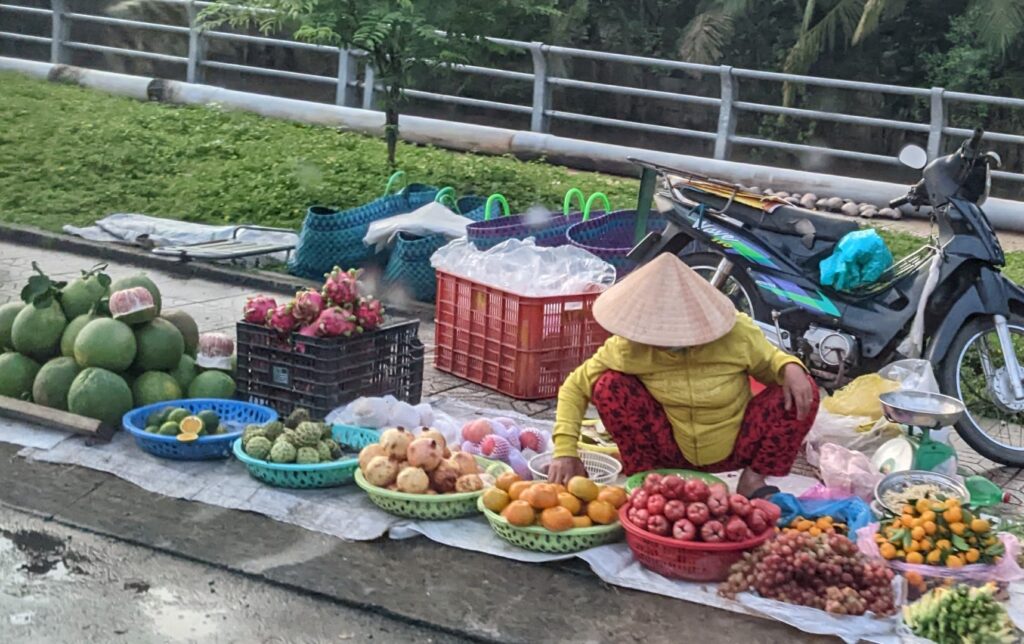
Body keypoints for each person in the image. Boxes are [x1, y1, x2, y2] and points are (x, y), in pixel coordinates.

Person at [547, 253, 819, 498]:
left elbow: (771, 363)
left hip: (736, 444)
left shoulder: (737, 333)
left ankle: (753, 480)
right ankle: (650, 479)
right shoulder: (628, 349)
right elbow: (574, 387)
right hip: (668, 450)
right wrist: (565, 452)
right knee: (609, 386)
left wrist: (790, 367)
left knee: (801, 390)